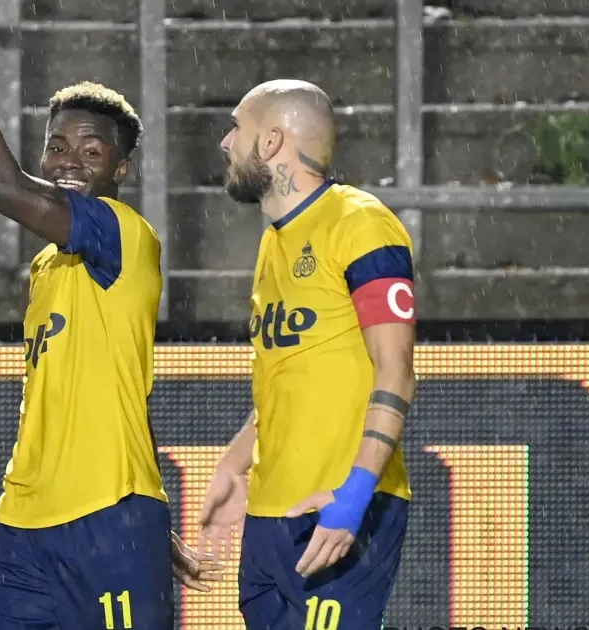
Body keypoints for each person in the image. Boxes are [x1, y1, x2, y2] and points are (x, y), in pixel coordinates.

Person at [0, 22, 221, 630]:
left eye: (91, 151)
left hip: (107, 519)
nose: (69, 161)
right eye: (57, 147)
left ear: (121, 169)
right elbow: (123, 387)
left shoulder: (122, 233)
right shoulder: (47, 264)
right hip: (22, 523)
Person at [197, 79, 417, 629]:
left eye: (238, 129)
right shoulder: (273, 241)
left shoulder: (360, 223)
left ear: (272, 141)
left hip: (335, 508)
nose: (226, 142)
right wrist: (234, 464)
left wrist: (355, 496)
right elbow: (289, 377)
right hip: (269, 517)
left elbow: (396, 371)